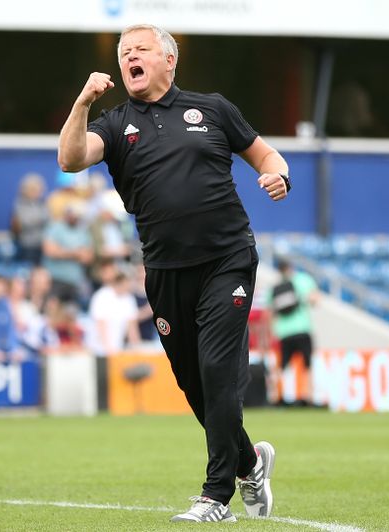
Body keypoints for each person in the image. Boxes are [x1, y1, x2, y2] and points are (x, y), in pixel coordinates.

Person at [57, 24, 290, 522]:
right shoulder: (115, 123)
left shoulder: (213, 108)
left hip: (228, 258)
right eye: (124, 53)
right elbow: (70, 159)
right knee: (195, 387)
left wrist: (278, 174)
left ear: (169, 60)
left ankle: (215, 496)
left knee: (218, 372)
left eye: (140, 49)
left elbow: (265, 154)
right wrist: (81, 104)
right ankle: (251, 463)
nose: (129, 58)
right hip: (164, 271)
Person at [268, 259, 320, 405]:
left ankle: (273, 396)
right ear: (291, 267)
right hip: (302, 328)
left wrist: (273, 332)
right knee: (307, 365)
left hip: (284, 332)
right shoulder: (302, 280)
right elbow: (315, 299)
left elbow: (271, 312)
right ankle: (308, 397)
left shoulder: (275, 287)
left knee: (282, 366)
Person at [41, 201, 93, 305]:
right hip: (55, 279)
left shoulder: (83, 231)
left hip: (74, 280)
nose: (75, 217)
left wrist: (62, 251)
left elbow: (88, 257)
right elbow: (49, 251)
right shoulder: (55, 227)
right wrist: (75, 253)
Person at [87, 261, 141, 356]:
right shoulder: (101, 296)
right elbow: (100, 324)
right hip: (99, 350)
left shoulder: (129, 299)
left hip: (117, 349)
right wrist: (108, 348)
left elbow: (132, 327)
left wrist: (137, 349)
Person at [10, 173, 49, 265]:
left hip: (41, 245)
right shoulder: (20, 204)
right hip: (27, 246)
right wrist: (40, 218)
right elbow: (25, 221)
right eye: (37, 190)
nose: (40, 192)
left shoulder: (41, 203)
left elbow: (48, 217)